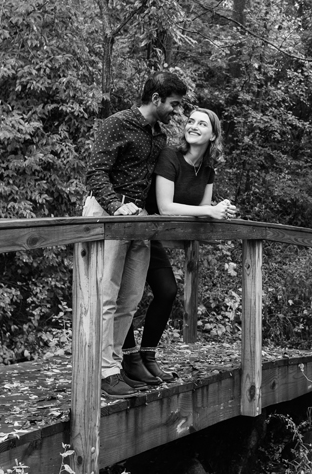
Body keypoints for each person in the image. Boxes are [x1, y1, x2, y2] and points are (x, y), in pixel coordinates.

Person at [83, 71, 187, 399]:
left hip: (138, 220)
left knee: (130, 298)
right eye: (174, 104)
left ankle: (115, 367)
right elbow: (95, 172)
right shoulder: (117, 123)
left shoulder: (159, 136)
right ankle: (101, 373)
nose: (177, 110)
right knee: (105, 296)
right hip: (109, 215)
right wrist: (116, 207)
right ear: (156, 99)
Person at [121, 108, 237, 385]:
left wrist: (221, 211)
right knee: (125, 296)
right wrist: (209, 212)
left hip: (154, 237)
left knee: (167, 290)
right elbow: (164, 207)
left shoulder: (208, 168)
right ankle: (129, 358)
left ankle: (148, 357)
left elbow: (202, 208)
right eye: (191, 121)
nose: (193, 126)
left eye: (202, 124)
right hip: (138, 229)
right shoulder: (170, 156)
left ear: (213, 135)